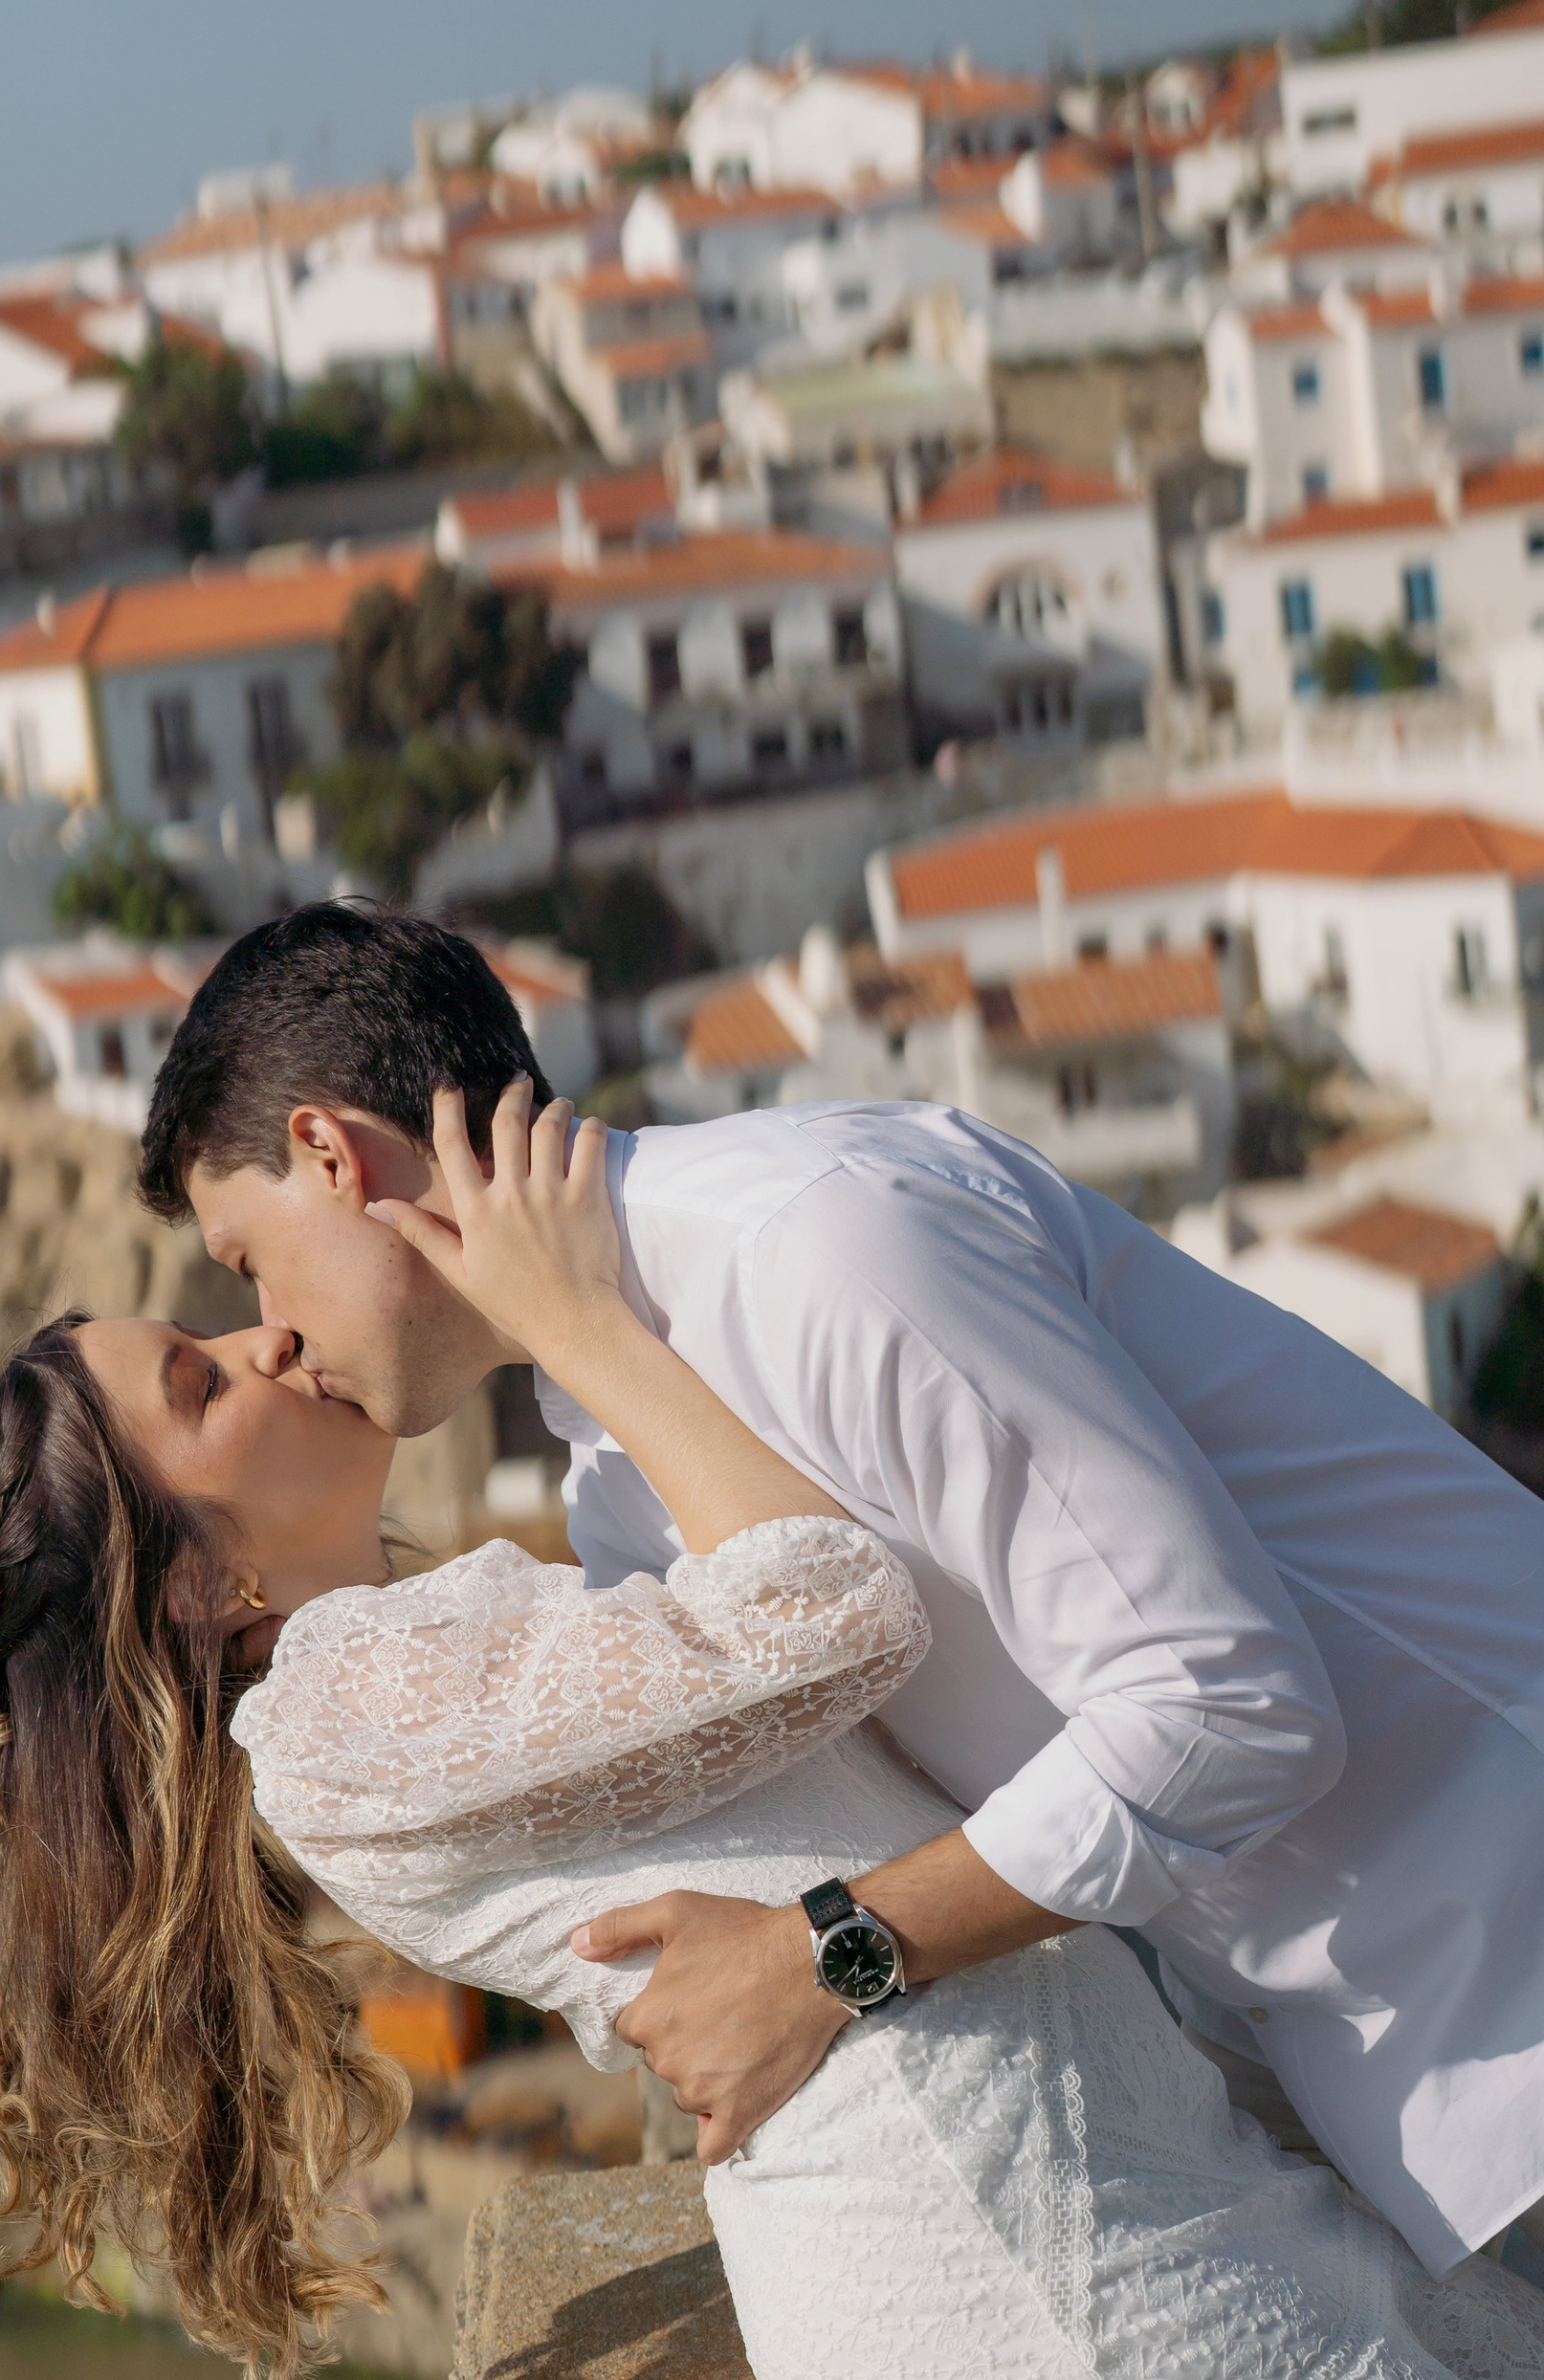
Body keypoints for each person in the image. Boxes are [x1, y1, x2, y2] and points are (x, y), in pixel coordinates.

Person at [0, 1079, 1544, 2380]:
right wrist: (578, 1320)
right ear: (204, 1582)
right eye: (203, 1379)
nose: (262, 1342)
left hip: (1024, 2230)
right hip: (1039, 2267)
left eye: (221, 1310)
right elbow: (827, 1603)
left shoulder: (401, 1664)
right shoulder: (357, 1695)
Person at [133, 905, 1544, 2281]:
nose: (272, 1332)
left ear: (330, 1154)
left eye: (248, 1261)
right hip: (1398, 2081)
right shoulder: (622, 1474)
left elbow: (1233, 1707)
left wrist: (825, 1957)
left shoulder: (823, 1248)